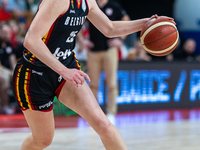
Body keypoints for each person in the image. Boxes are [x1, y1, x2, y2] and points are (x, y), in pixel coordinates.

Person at [12, 0, 174, 149]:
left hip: (66, 68)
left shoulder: (87, 1)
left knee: (103, 123)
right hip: (33, 74)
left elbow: (109, 28)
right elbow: (31, 40)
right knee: (43, 140)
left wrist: (148, 23)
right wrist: (63, 70)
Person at [86, 0, 130, 124]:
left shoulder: (114, 6)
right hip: (93, 50)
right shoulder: (91, 4)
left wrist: (121, 39)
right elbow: (79, 23)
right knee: (93, 84)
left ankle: (111, 112)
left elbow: (126, 19)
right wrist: (82, 40)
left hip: (110, 49)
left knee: (111, 83)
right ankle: (93, 114)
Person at [0, 24, 17, 114]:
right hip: (1, 70)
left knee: (20, 76)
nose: (6, 35)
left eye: (8, 33)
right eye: (4, 32)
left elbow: (13, 61)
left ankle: (19, 105)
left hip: (7, 70)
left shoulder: (9, 45)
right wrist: (10, 72)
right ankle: (4, 106)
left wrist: (15, 71)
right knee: (5, 78)